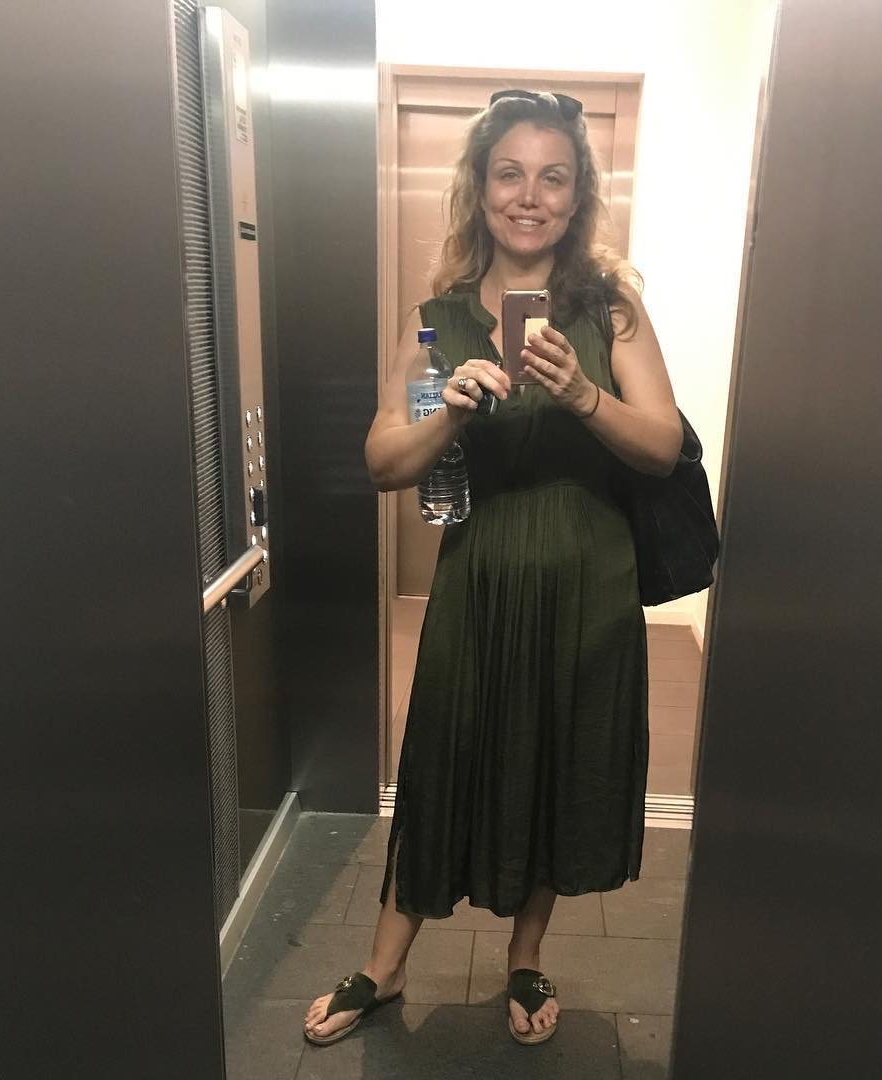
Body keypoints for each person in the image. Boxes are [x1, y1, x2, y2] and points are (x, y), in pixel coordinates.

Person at [304, 88, 684, 1048]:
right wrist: (450, 412)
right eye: (509, 174)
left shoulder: (610, 311)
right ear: (479, 188)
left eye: (553, 178)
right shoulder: (435, 323)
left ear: (577, 195)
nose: (529, 196)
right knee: (442, 753)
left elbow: (663, 446)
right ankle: (384, 965)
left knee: (559, 755)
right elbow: (383, 463)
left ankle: (525, 957)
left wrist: (583, 394)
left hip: (589, 584)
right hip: (478, 576)